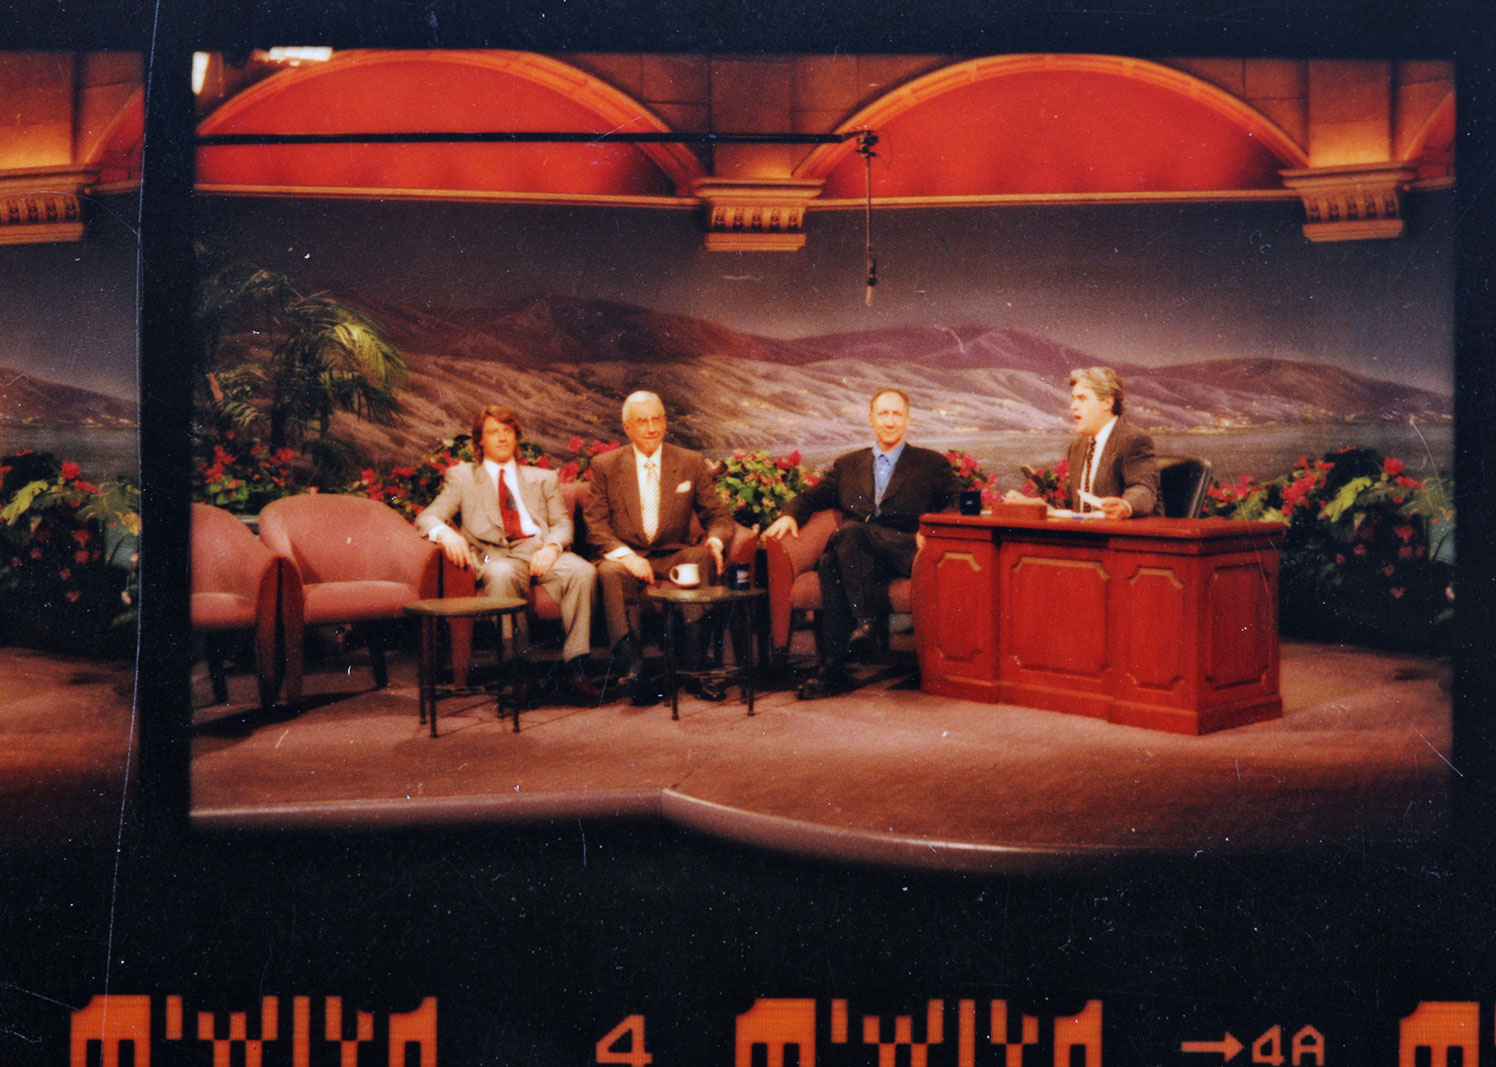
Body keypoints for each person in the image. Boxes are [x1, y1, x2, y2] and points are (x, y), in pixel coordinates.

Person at [763, 387, 960, 699]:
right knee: (832, 559)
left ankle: (857, 632)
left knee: (849, 535)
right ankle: (834, 668)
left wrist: (932, 529)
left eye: (897, 414)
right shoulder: (847, 465)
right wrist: (790, 515)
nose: (890, 421)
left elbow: (957, 502)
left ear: (908, 420)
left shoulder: (931, 465)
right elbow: (812, 497)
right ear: (871, 419)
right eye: (883, 413)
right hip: (856, 557)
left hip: (902, 552)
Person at [417, 404, 599, 702]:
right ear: (480, 442)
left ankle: (576, 668)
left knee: (583, 571)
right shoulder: (462, 478)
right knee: (500, 573)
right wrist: (446, 533)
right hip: (495, 556)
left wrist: (552, 547)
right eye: (493, 432)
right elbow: (428, 517)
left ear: (516, 438)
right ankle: (519, 672)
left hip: (540, 551)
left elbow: (562, 524)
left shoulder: (542, 478)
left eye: (507, 431)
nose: (501, 438)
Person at [585, 390, 736, 698]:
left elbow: (718, 515)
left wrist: (717, 541)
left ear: (666, 423)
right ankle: (634, 668)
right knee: (610, 572)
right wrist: (627, 557)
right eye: (642, 422)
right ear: (627, 428)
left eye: (657, 420)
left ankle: (696, 669)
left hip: (672, 553)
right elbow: (596, 525)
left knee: (700, 557)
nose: (652, 428)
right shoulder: (606, 466)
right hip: (626, 554)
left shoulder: (689, 463)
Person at [1036, 366, 1160, 519]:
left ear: (1106, 403)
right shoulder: (1077, 446)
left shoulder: (1134, 439)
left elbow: (1144, 489)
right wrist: (1037, 506)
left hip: (1128, 536)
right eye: (1074, 398)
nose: (1073, 406)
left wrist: (1126, 506)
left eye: (1082, 399)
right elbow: (1076, 506)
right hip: (1088, 534)